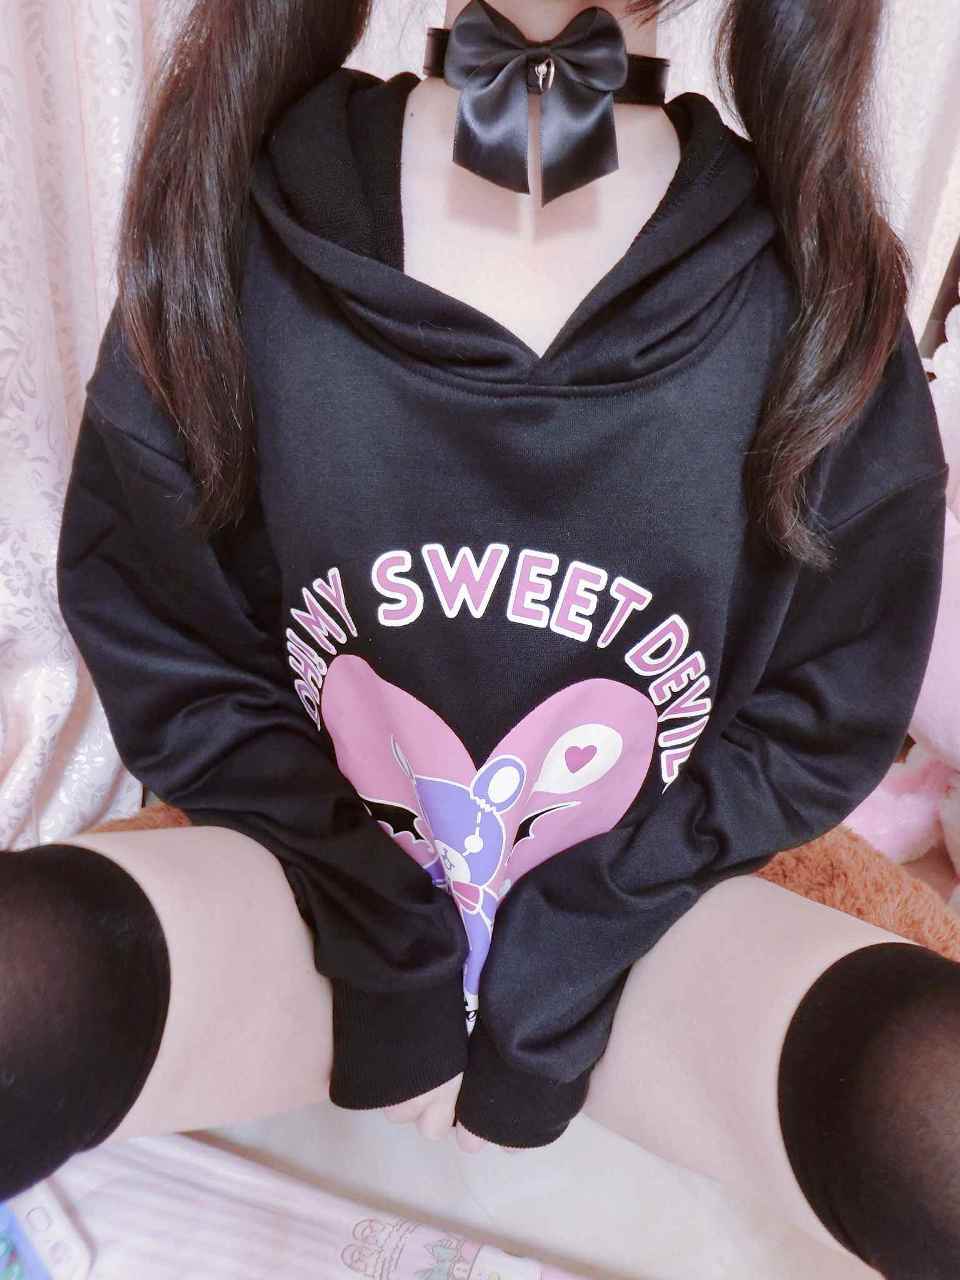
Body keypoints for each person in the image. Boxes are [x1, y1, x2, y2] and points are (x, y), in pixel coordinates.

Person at [2, 0, 956, 1273]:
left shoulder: (817, 286)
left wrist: (587, 931)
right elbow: (162, 617)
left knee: (930, 1097)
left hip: (648, 930)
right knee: (30, 969)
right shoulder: (240, 217)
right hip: (309, 888)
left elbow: (828, 690)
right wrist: (372, 924)